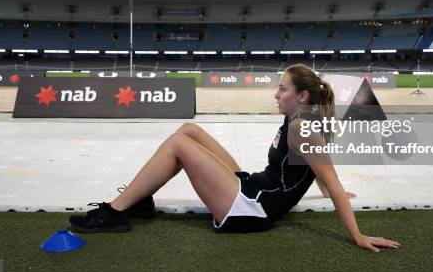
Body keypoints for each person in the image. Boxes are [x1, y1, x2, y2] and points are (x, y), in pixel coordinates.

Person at [69, 63, 400, 253]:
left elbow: (330, 178)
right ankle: (138, 200)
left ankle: (116, 212)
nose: (275, 94)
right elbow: (316, 168)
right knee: (188, 130)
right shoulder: (299, 119)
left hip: (251, 210)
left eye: (282, 89)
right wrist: (325, 190)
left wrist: (357, 235)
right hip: (253, 187)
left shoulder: (303, 128)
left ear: (301, 96)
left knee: (178, 144)